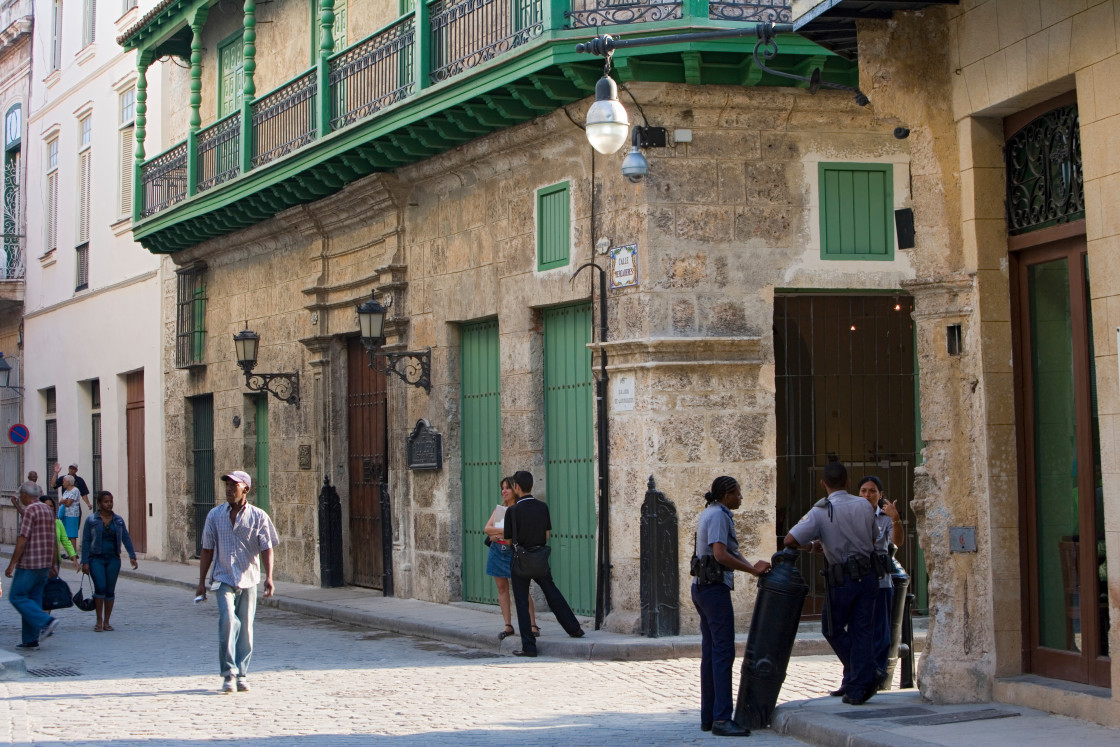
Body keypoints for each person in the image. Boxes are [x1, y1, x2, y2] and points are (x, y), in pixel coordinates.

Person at [784, 461, 878, 705]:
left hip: (842, 577)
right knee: (862, 631)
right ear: (848, 482)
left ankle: (864, 675)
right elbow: (874, 537)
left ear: (823, 484)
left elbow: (790, 539)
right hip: (867, 575)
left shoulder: (820, 511)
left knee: (832, 628)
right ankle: (858, 683)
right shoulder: (865, 506)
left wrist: (813, 546)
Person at [691, 476, 771, 737]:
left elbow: (733, 552)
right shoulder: (718, 516)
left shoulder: (715, 513)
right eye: (738, 493)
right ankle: (722, 718)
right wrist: (751, 571)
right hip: (713, 589)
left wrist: (753, 568)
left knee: (712, 652)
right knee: (723, 653)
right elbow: (720, 554)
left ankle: (710, 716)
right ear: (726, 495)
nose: (741, 498)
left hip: (705, 588)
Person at [195, 470, 278, 693]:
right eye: (227, 485)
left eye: (234, 485)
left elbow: (267, 548)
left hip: (248, 578)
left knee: (246, 630)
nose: (229, 489)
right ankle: (228, 673)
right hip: (223, 578)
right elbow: (207, 549)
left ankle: (242, 673)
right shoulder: (214, 516)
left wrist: (268, 577)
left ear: (246, 489)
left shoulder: (259, 516)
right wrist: (201, 582)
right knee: (228, 621)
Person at [503, 470, 584, 657]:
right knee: (552, 593)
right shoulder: (542, 507)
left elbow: (508, 542)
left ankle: (529, 647)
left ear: (517, 487)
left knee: (522, 602)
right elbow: (546, 535)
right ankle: (574, 628)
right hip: (539, 557)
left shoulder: (512, 511)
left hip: (520, 561)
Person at [856, 476, 904, 690]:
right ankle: (855, 677)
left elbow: (898, 542)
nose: (867, 495)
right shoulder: (852, 515)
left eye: (872, 491)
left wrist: (895, 519)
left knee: (881, 634)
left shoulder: (885, 518)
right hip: (856, 580)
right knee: (858, 632)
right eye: (864, 491)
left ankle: (878, 678)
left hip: (880, 582)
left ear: (880, 495)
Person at [4, 481, 62, 649]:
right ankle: (31, 640)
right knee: (33, 599)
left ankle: (46, 621)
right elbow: (52, 539)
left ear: (25, 495)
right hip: (43, 564)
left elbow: (23, 538)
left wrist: (12, 564)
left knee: (17, 596)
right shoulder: (46, 509)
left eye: (21, 495)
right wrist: (53, 563)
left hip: (29, 563)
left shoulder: (29, 510)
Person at [484, 476, 537, 640]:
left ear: (515, 490)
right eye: (502, 488)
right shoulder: (500, 510)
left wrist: (498, 533)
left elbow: (517, 533)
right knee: (501, 588)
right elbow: (487, 528)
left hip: (512, 552)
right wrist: (502, 533)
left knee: (522, 589)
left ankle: (532, 624)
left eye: (507, 487)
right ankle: (508, 625)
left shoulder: (520, 509)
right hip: (496, 551)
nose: (504, 491)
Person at [81, 490, 139, 632]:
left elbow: (125, 537)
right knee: (100, 587)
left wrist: (132, 555)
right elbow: (86, 541)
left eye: (111, 501)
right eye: (106, 502)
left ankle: (107, 621)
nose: (109, 504)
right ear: (99, 503)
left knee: (109, 590)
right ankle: (98, 620)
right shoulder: (92, 520)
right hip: (96, 558)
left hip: (113, 558)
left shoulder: (118, 520)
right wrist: (85, 561)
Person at [41, 495, 81, 571]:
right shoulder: (36, 522)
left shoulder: (58, 523)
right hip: (40, 562)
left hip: (55, 561)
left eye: (51, 506)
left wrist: (73, 557)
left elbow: (66, 541)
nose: (49, 508)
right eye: (46, 506)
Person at [57, 475, 82, 548]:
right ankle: (69, 552)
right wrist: (63, 501)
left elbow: (68, 503)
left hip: (72, 515)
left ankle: (73, 552)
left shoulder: (75, 490)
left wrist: (63, 501)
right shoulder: (66, 492)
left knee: (72, 534)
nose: (63, 483)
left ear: (68, 482)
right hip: (65, 514)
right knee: (66, 534)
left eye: (64, 481)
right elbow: (61, 501)